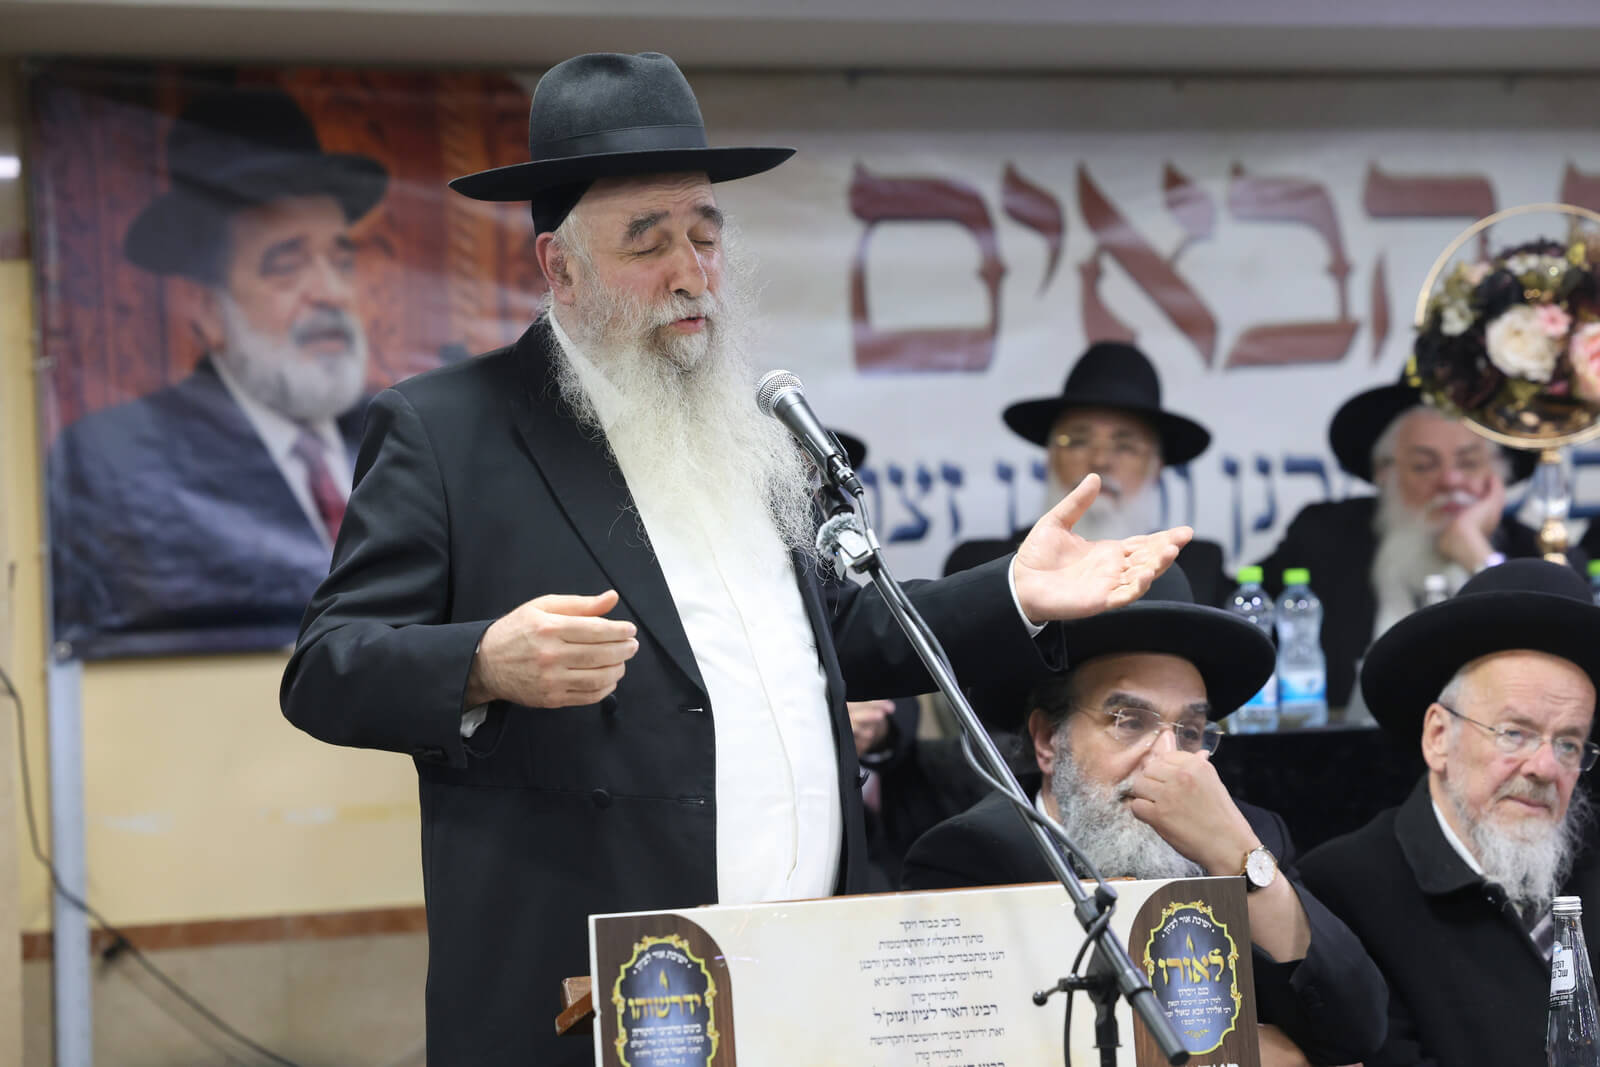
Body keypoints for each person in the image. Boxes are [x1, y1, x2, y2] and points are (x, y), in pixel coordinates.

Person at [278, 51, 1190, 1066]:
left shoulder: (753, 429)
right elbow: (327, 666)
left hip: (806, 988)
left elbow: (837, 637)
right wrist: (483, 663)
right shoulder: (450, 428)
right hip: (593, 997)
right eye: (647, 241)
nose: (690, 272)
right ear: (558, 267)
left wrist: (1015, 591)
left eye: (705, 235)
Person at [901, 565, 1389, 1067]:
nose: (1167, 759)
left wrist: (1239, 859)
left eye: (1191, 731)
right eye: (1130, 722)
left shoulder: (1244, 835)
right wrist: (1263, 1053)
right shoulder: (972, 857)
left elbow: (1356, 1030)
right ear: (1048, 740)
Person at [49, 87, 383, 658]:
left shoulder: (398, 432)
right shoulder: (115, 463)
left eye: (341, 259)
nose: (330, 292)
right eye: (287, 265)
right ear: (207, 309)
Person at [1296, 558, 1600, 1066]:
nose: (1546, 767)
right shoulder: (1346, 891)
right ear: (1439, 736)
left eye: (1568, 744)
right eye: (1515, 733)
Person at [1254, 372, 1546, 708]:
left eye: (1469, 463)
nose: (1450, 480)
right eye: (1424, 466)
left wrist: (1479, 556)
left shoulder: (1530, 550)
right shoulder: (1325, 536)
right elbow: (1243, 623)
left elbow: (1541, 664)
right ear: (1384, 472)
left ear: (1497, 475)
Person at [945, 340, 1227, 607]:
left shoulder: (1198, 570)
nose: (1100, 460)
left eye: (1125, 446)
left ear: (1156, 467)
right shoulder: (985, 570)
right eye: (1078, 441)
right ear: (1050, 456)